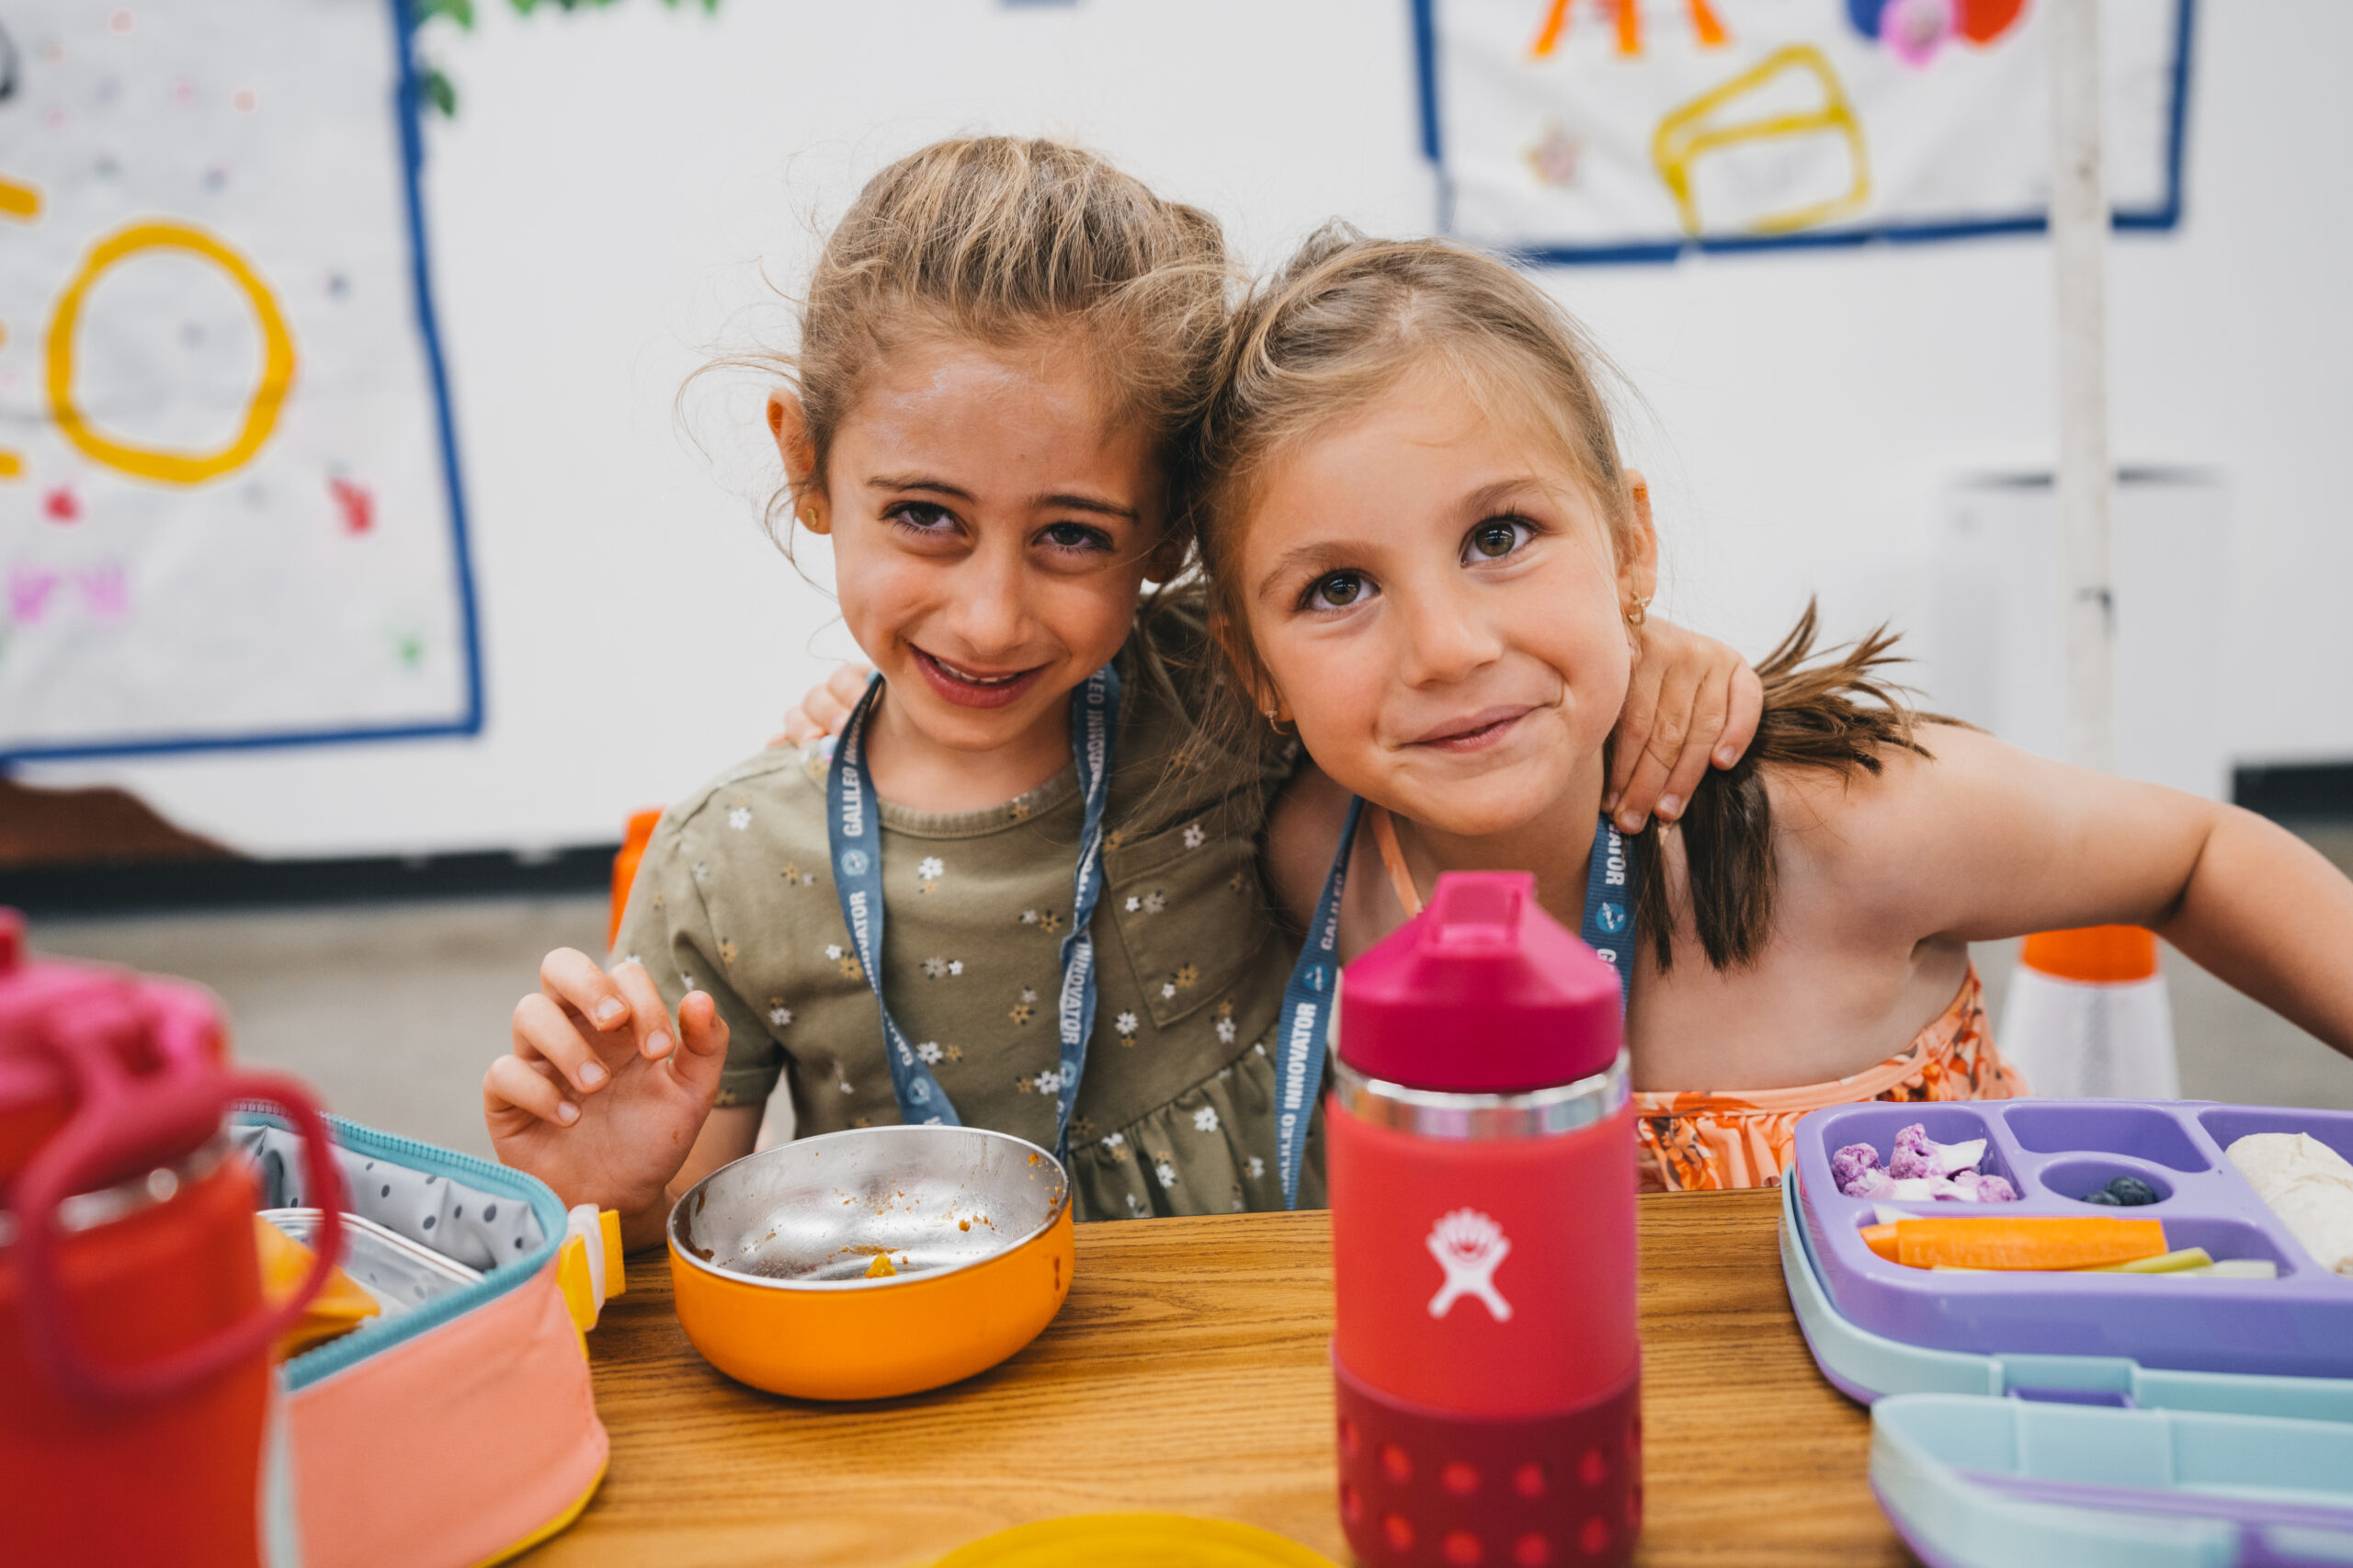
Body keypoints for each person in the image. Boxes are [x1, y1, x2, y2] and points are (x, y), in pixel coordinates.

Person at [480, 142, 1756, 1244]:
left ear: (1165, 537)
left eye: (1074, 536)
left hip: (1295, 1354)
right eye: (925, 518)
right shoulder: (733, 866)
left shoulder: (1225, 684)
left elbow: (1434, 637)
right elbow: (675, 1263)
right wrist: (618, 1197)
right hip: (942, 1429)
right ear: (809, 467)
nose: (990, 615)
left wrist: (1651, 644)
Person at [1188, 227, 2353, 1192]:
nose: (1445, 648)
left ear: (1631, 543)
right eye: (1337, 588)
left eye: (1499, 536)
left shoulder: (1848, 826)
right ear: (1250, 661)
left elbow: (2195, 855)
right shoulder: (1321, 865)